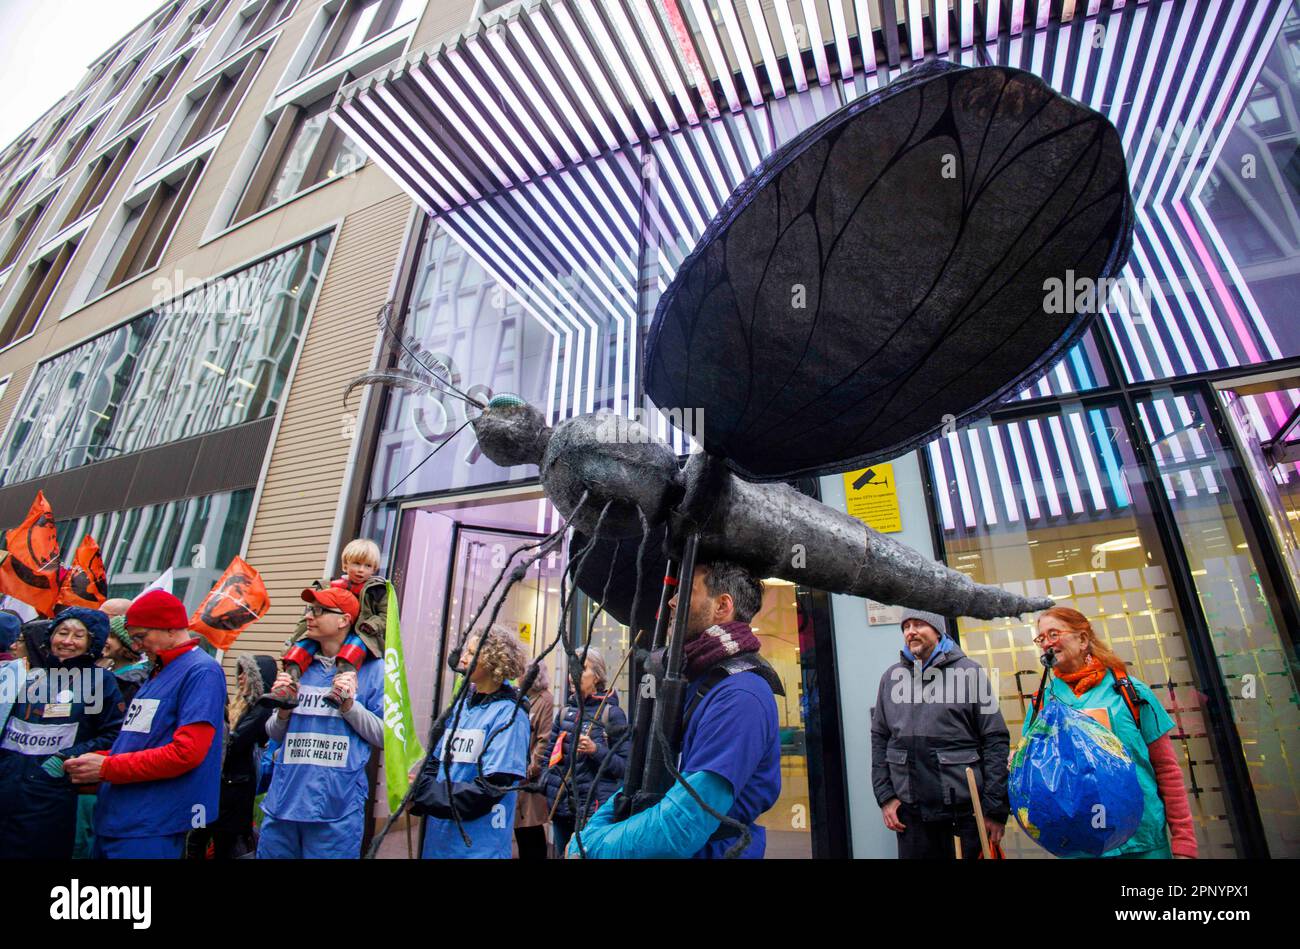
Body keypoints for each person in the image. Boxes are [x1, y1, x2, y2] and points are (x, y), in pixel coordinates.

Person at [571, 560, 782, 859]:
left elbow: (684, 825)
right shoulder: (696, 680)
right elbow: (640, 781)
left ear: (722, 606)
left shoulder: (740, 695)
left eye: (686, 591)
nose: (671, 601)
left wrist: (593, 847)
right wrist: (592, 832)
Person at [64, 590, 227, 860]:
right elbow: (141, 742)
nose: (137, 646)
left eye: (141, 637)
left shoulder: (201, 671)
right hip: (121, 818)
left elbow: (186, 753)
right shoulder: (159, 670)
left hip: (150, 824)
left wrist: (106, 767)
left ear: (171, 627)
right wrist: (95, 761)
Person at [1028, 606, 1197, 859]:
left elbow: (1166, 769)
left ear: (1083, 639)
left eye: (1054, 634)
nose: (1046, 644)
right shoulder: (1044, 702)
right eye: (1041, 638)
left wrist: (1184, 842)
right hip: (1081, 844)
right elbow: (1035, 772)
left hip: (1142, 842)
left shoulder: (1130, 692)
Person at [870, 609, 1009, 859]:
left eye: (919, 624)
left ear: (937, 630)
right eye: (906, 626)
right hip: (911, 816)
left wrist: (994, 809)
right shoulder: (891, 678)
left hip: (965, 816)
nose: (910, 631)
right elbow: (880, 737)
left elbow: (995, 740)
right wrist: (886, 796)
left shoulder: (970, 673)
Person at [257, 588, 384, 858]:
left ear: (344, 620)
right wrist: (282, 712)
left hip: (335, 808)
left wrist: (350, 706)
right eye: (308, 610)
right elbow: (273, 732)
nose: (310, 617)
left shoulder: (374, 670)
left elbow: (386, 736)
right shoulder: (297, 666)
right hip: (284, 802)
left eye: (318, 610)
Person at [0, 608, 125, 859]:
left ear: (93, 642)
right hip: (7, 787)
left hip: (51, 796)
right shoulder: (27, 675)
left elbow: (114, 733)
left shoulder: (99, 682)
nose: (67, 641)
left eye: (78, 635)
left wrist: (66, 757)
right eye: (62, 632)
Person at [412, 624, 530, 859]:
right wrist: (418, 791)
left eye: (471, 652)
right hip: (439, 844)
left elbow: (491, 788)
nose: (462, 658)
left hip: (478, 848)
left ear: (493, 659)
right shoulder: (460, 705)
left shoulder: (510, 715)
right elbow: (435, 762)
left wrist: (424, 793)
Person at [261, 539, 387, 710]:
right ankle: (288, 687)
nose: (361, 570)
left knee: (352, 652)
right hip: (328, 633)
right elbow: (307, 616)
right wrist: (293, 639)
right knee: (299, 650)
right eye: (356, 564)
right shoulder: (327, 586)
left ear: (374, 569)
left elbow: (385, 616)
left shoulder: (377, 589)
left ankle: (341, 689)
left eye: (368, 566)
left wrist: (372, 625)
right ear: (345, 564)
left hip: (361, 633)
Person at [188, 654, 278, 859]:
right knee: (197, 836)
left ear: (257, 678)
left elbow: (235, 742)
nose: (239, 679)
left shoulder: (262, 708)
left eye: (244, 674)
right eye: (238, 673)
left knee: (221, 841)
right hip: (218, 786)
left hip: (233, 790)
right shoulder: (241, 706)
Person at [542, 647, 628, 856]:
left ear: (597, 676)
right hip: (561, 808)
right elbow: (548, 758)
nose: (573, 676)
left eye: (582, 669)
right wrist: (547, 786)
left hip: (592, 811)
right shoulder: (564, 713)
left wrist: (595, 750)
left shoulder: (612, 714)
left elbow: (625, 767)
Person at [514, 657, 554, 860]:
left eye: (521, 673)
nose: (517, 678)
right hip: (517, 776)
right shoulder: (521, 698)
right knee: (521, 830)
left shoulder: (544, 700)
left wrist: (531, 768)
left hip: (531, 780)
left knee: (532, 829)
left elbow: (544, 739)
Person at [100, 615, 151, 703]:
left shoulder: (131, 679)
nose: (105, 640)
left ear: (127, 645)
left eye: (111, 636)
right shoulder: (111, 668)